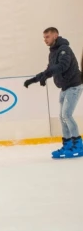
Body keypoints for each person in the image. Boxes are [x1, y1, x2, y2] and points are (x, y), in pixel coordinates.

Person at [24, 28, 83, 159]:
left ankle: (78, 144)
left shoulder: (64, 49)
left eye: (47, 37)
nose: (45, 40)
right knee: (62, 117)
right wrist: (34, 79)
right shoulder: (53, 52)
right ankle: (67, 144)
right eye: (44, 37)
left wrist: (47, 74)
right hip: (64, 88)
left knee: (67, 115)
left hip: (74, 86)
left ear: (55, 35)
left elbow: (62, 66)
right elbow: (49, 69)